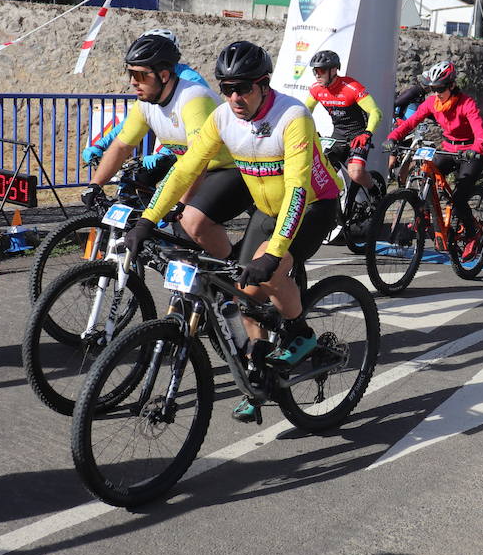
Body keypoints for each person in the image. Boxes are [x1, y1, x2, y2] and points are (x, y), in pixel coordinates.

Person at [123, 41, 344, 422]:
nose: (235, 97)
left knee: (268, 268)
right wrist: (148, 220)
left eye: (243, 88)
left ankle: (300, 332)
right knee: (244, 293)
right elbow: (185, 169)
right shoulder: (223, 117)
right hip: (266, 208)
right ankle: (258, 376)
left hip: (313, 205)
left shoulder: (293, 117)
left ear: (264, 84)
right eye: (226, 88)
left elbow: (296, 189)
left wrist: (275, 253)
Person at [85, 31, 248, 258]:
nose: (133, 81)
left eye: (140, 75)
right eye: (130, 73)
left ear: (163, 75)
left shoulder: (193, 99)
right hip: (190, 170)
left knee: (190, 221)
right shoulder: (146, 103)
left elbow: (198, 162)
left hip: (230, 169)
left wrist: (177, 205)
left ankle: (232, 272)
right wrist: (94, 185)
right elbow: (122, 146)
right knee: (166, 231)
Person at [385, 61, 483, 259]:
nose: (437, 93)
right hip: (448, 149)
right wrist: (393, 137)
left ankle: (473, 234)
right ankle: (423, 213)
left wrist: (475, 149)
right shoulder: (432, 103)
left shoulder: (466, 104)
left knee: (458, 198)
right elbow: (409, 123)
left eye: (440, 88)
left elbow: (480, 133)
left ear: (451, 85)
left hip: (469, 153)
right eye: (433, 89)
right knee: (425, 171)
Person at [80, 29, 206, 179]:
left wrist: (165, 153)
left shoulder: (190, 82)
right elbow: (130, 124)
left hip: (202, 161)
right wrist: (101, 144)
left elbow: (188, 128)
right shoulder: (150, 84)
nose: (134, 82)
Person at [304, 49, 382, 193]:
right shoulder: (316, 89)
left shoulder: (351, 87)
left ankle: (374, 191)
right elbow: (304, 113)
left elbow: (375, 112)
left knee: (355, 173)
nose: (317, 75)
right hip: (338, 135)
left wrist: (367, 133)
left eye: (320, 70)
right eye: (315, 71)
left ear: (333, 70)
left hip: (358, 135)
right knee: (324, 172)